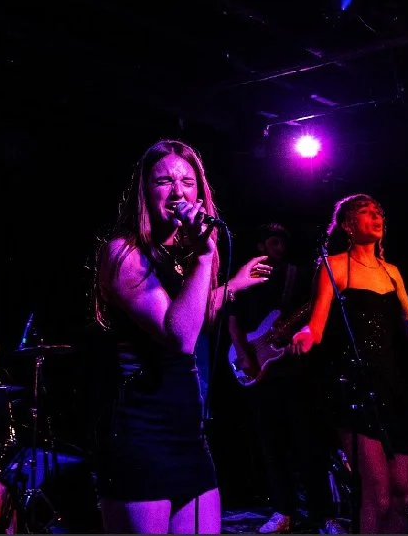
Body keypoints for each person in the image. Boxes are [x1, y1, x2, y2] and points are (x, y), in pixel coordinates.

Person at [91, 139, 272, 534]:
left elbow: (193, 315)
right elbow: (180, 337)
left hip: (188, 430)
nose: (177, 191)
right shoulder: (124, 253)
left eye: (187, 182)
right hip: (142, 430)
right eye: (164, 181)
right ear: (144, 192)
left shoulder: (180, 256)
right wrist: (206, 258)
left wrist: (233, 284)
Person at [290, 194, 408, 534]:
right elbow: (316, 326)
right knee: (376, 497)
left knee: (402, 497)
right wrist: (304, 338)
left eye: (379, 212)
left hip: (394, 389)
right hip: (355, 389)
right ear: (347, 224)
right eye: (366, 212)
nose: (376, 217)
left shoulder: (392, 272)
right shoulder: (333, 265)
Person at [226, 224, 344, 534]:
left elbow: (316, 310)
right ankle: (283, 512)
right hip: (260, 371)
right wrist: (247, 357)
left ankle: (324, 514)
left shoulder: (298, 274)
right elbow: (234, 323)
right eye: (274, 241)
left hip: (294, 371)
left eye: (284, 242)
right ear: (261, 244)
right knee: (271, 448)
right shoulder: (248, 279)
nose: (280, 247)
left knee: (308, 445)